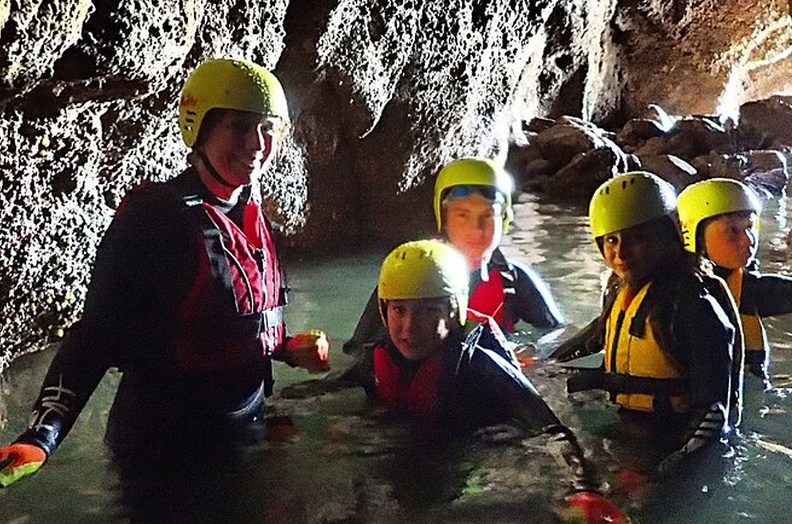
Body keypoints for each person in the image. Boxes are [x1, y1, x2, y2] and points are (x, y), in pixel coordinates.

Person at [0, 58, 330, 490]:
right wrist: (42, 436)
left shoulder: (252, 212)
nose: (257, 143)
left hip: (243, 430)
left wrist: (284, 346)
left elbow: (230, 320)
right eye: (239, 127)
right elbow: (95, 336)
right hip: (165, 452)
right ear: (200, 129)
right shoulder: (157, 216)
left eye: (268, 129)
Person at [285, 239, 627, 523]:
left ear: (454, 312)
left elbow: (551, 429)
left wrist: (582, 488)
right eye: (399, 310)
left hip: (466, 453)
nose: (409, 327)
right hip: (395, 444)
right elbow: (321, 390)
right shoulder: (375, 362)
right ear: (384, 311)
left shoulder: (479, 365)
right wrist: (280, 411)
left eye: (428, 311)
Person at [558, 171, 740, 474]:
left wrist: (661, 474)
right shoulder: (619, 289)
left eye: (637, 239)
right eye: (612, 240)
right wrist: (544, 366)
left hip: (673, 439)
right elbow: (595, 336)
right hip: (627, 425)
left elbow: (711, 413)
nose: (620, 254)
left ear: (668, 237)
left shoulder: (692, 306)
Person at [343, 157, 563, 357]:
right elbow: (359, 350)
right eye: (462, 215)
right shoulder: (410, 270)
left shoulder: (515, 279)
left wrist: (529, 349)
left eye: (488, 215)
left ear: (505, 219)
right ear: (444, 218)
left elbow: (557, 336)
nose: (477, 229)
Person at [676, 177, 792, 386]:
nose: (748, 240)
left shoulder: (750, 289)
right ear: (693, 235)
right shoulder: (668, 296)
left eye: (750, 227)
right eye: (733, 231)